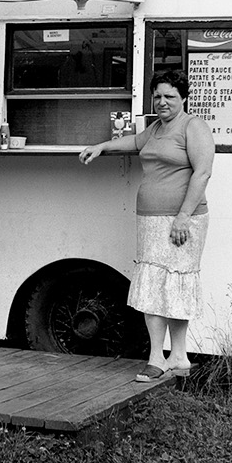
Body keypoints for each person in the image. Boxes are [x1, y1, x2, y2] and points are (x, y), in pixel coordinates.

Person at [79, 69, 214, 380]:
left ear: (184, 98)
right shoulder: (154, 129)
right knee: (153, 283)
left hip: (184, 219)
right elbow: (132, 142)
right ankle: (169, 356)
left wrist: (182, 216)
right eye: (158, 96)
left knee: (177, 282)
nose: (162, 102)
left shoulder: (193, 127)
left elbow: (202, 173)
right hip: (150, 219)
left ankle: (168, 356)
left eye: (170, 96)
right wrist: (101, 147)